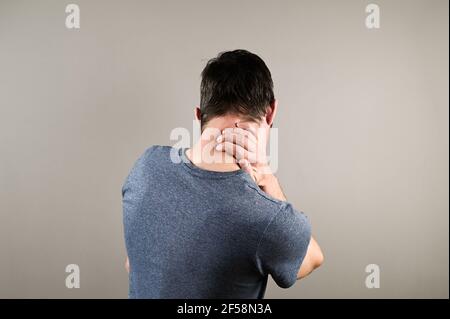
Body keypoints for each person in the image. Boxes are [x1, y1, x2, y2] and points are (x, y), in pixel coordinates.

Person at [122, 49, 323, 298]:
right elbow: (312, 258)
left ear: (198, 116)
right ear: (271, 112)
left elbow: (134, 264)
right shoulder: (268, 218)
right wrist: (267, 178)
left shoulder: (145, 167)